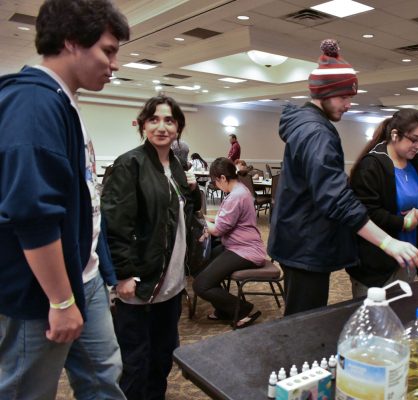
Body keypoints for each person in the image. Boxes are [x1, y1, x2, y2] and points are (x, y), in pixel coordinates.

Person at [0, 1, 129, 399]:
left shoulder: (61, 100)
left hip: (82, 277)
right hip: (41, 291)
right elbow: (31, 213)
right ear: (72, 42)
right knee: (27, 389)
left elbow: (84, 204)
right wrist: (60, 300)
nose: (115, 63)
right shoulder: (34, 103)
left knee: (103, 377)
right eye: (108, 50)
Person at [268, 39, 418, 316]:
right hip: (305, 245)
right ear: (323, 94)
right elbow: (335, 198)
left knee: (303, 321)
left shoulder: (310, 125)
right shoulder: (316, 132)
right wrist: (388, 241)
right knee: (303, 325)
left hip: (302, 241)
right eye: (343, 97)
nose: (349, 104)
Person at [101, 95, 202, 399]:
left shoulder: (176, 166)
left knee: (162, 357)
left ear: (178, 127)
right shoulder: (129, 163)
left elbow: (179, 217)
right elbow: (116, 225)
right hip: (140, 283)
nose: (161, 127)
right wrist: (123, 274)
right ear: (143, 125)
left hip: (170, 285)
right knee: (135, 363)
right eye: (154, 120)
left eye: (169, 120)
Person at [348, 109, 418, 297]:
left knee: (401, 313)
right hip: (377, 260)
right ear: (395, 135)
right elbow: (366, 213)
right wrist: (403, 223)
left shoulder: (416, 165)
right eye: (414, 139)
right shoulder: (372, 165)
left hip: (408, 254)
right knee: (374, 319)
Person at [192, 158, 265, 328]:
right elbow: (226, 219)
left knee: (200, 285)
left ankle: (244, 309)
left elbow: (217, 230)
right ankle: (225, 309)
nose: (216, 185)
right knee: (199, 268)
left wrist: (199, 221)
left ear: (223, 178)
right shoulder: (239, 190)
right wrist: (205, 218)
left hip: (245, 250)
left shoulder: (236, 196)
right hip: (237, 246)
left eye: (215, 181)